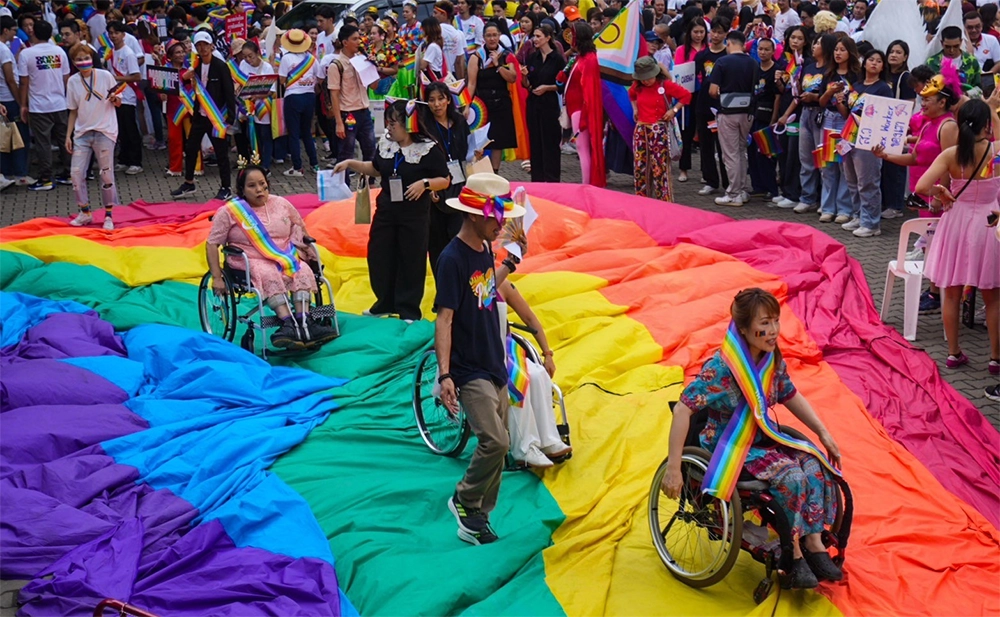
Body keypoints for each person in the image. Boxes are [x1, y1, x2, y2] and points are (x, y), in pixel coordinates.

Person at [661, 288, 844, 589]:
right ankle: (794, 553)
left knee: (814, 464)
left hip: (761, 438)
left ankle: (813, 542)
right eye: (765, 323)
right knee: (792, 477)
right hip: (727, 444)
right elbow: (683, 410)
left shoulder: (771, 361)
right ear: (743, 329)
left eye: (776, 321)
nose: (772, 331)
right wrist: (673, 467)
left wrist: (823, 433)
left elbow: (790, 395)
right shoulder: (721, 368)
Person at [435, 172, 527, 545]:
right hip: (469, 366)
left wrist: (512, 263)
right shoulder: (451, 259)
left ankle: (477, 518)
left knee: (500, 440)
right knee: (495, 441)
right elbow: (444, 318)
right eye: (496, 217)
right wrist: (445, 376)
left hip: (493, 360)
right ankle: (464, 497)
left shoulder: (485, 250)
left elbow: (485, 289)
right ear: (474, 215)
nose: (501, 223)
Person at [334, 100, 452, 322]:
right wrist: (351, 163)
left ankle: (408, 308)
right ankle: (384, 302)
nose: (389, 127)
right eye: (388, 122)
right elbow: (377, 169)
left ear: (409, 123)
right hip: (387, 209)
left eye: (393, 123)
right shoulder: (386, 144)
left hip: (414, 213)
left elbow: (445, 180)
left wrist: (424, 184)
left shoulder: (428, 148)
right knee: (379, 254)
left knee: (411, 259)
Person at [206, 164, 337, 349]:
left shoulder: (281, 203)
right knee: (268, 272)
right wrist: (217, 277)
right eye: (252, 186)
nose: (259, 189)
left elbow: (298, 227)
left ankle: (305, 322)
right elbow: (212, 243)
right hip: (249, 259)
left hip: (283, 256)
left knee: (302, 270)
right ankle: (287, 324)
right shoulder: (230, 211)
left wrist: (305, 249)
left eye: (262, 184)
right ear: (242, 189)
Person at [914, 97, 1000, 377]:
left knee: (950, 293)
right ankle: (995, 358)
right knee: (993, 297)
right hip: (990, 223)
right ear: (986, 124)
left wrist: (942, 192)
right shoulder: (996, 152)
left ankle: (953, 353)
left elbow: (922, 185)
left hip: (957, 224)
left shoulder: (952, 154)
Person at [873, 74, 959, 314]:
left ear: (942, 102)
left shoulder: (948, 125)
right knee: (928, 245)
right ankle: (934, 291)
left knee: (939, 245)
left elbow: (951, 165)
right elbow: (914, 157)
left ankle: (939, 292)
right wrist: (886, 156)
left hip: (938, 198)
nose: (923, 104)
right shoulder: (928, 124)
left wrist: (941, 197)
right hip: (922, 193)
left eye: (927, 99)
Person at [499, 279, 572, 468]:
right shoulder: (468, 283)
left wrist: (547, 354)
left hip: (506, 348)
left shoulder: (503, 285)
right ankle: (523, 448)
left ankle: (548, 440)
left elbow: (530, 319)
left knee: (539, 375)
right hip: (483, 349)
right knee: (517, 379)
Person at [170, 30, 236, 201]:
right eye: (199, 45)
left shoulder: (221, 66)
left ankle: (226, 187)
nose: (202, 48)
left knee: (221, 153)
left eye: (205, 45)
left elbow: (229, 92)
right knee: (191, 148)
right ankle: (189, 183)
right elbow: (186, 82)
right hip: (200, 115)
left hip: (217, 117)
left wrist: (231, 118)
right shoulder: (196, 65)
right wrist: (186, 77)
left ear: (211, 46)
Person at [65, 42, 120, 230]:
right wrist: (68, 135)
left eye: (86, 58)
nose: (84, 62)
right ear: (73, 62)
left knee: (106, 174)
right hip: (82, 133)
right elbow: (72, 110)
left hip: (105, 131)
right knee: (76, 173)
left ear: (93, 58)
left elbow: (118, 101)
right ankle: (84, 212)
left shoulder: (105, 76)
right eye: (79, 59)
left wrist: (115, 99)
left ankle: (109, 215)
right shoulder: (72, 81)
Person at [838, 48, 891, 237]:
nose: (874, 63)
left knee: (868, 181)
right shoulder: (857, 86)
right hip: (849, 137)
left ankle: (871, 222)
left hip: (869, 140)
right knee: (852, 180)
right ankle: (858, 215)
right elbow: (847, 113)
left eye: (878, 60)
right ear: (864, 63)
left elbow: (885, 116)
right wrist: (840, 103)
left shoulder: (883, 88)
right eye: (871, 60)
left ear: (883, 66)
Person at [423, 80, 472, 274]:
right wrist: (428, 188)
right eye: (432, 100)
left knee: (459, 236)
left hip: (460, 184)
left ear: (448, 100)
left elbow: (468, 149)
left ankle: (460, 282)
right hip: (436, 187)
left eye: (441, 99)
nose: (437, 104)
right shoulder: (425, 127)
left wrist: (475, 155)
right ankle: (441, 288)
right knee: (437, 242)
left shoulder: (459, 122)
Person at [17, 19, 71, 192]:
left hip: (39, 106)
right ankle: (70, 173)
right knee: (65, 140)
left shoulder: (27, 54)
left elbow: (23, 82)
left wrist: (23, 105)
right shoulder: (60, 51)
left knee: (43, 143)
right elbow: (66, 78)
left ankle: (46, 178)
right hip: (60, 103)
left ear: (33, 33)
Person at [629, 55, 690, 201]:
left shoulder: (665, 85)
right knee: (640, 166)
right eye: (643, 78)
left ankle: (664, 199)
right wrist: (635, 109)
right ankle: (642, 198)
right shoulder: (637, 86)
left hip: (658, 130)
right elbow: (631, 95)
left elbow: (686, 96)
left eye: (648, 77)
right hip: (641, 130)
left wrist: (673, 111)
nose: (646, 81)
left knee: (659, 166)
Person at [710, 29, 757, 207]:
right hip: (748, 112)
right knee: (740, 151)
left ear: (728, 43)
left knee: (730, 155)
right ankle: (743, 190)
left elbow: (713, 91)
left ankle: (733, 193)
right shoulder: (753, 62)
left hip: (728, 112)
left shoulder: (722, 62)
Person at [815, 34, 859, 224]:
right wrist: (830, 92)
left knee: (845, 166)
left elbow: (854, 107)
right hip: (828, 120)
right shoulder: (829, 74)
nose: (838, 53)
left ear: (850, 52)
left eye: (842, 50)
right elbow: (821, 102)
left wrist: (842, 100)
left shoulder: (856, 76)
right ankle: (827, 207)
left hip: (847, 123)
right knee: (827, 165)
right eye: (836, 50)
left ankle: (844, 208)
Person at [467, 21, 518, 173]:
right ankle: (480, 172)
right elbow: (471, 83)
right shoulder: (477, 57)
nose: (492, 38)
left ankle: (495, 172)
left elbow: (512, 78)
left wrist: (498, 65)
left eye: (494, 35)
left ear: (499, 36)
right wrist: (467, 105)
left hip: (501, 103)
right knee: (481, 141)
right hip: (482, 105)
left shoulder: (506, 55)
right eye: (488, 36)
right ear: (483, 38)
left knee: (498, 141)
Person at [561, 20, 605, 187]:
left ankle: (587, 185)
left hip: (581, 110)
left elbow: (589, 90)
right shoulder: (581, 57)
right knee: (582, 148)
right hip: (575, 109)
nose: (570, 38)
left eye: (573, 35)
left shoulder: (589, 59)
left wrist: (586, 116)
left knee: (583, 148)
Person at [328, 25, 377, 170]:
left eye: (359, 38)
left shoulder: (362, 60)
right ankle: (344, 189)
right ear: (345, 42)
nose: (358, 42)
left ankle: (370, 185)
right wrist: (338, 122)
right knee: (345, 154)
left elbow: (374, 86)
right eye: (354, 39)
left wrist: (373, 66)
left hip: (364, 111)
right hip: (348, 114)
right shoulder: (336, 65)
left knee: (370, 151)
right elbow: (334, 95)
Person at [521, 23, 564, 182]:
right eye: (534, 36)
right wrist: (524, 76)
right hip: (533, 104)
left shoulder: (557, 59)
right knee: (536, 141)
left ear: (548, 38)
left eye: (538, 36)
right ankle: (537, 178)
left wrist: (548, 88)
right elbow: (527, 85)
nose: (535, 39)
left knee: (550, 142)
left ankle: (552, 179)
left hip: (549, 104)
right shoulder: (533, 57)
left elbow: (563, 84)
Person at [277, 28, 320, 178]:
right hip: (309, 96)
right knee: (307, 132)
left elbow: (281, 80)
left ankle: (297, 167)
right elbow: (320, 77)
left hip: (293, 97)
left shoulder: (286, 59)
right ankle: (314, 164)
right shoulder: (311, 59)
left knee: (294, 134)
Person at [693, 18, 729, 197]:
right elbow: (694, 79)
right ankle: (710, 181)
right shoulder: (702, 56)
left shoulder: (728, 56)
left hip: (723, 106)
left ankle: (728, 181)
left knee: (723, 146)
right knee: (706, 145)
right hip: (704, 104)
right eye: (713, 31)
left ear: (726, 35)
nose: (715, 35)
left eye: (720, 32)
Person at [882, 40, 915, 220]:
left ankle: (895, 205)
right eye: (891, 51)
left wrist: (901, 126)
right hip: (882, 126)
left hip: (897, 128)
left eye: (898, 52)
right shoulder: (884, 76)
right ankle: (886, 202)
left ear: (905, 56)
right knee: (884, 166)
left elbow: (910, 104)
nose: (894, 55)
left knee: (896, 167)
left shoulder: (906, 78)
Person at [107, 20, 143, 175]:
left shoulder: (128, 53)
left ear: (123, 35)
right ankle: (124, 159)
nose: (114, 36)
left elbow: (137, 76)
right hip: (116, 96)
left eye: (116, 33)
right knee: (121, 130)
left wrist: (117, 78)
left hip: (127, 96)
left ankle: (136, 161)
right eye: (111, 33)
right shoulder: (111, 52)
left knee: (130, 129)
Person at [747, 36, 781, 201]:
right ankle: (757, 186)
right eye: (760, 49)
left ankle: (771, 188)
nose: (763, 52)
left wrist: (773, 120)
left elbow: (777, 97)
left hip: (767, 116)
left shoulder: (777, 71)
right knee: (752, 151)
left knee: (766, 153)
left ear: (773, 51)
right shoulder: (754, 69)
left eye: (767, 49)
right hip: (753, 114)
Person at [674, 16, 706, 184]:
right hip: (687, 93)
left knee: (704, 132)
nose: (698, 35)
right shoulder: (681, 50)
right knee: (686, 131)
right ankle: (683, 168)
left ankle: (706, 171)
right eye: (696, 32)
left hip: (705, 92)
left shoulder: (708, 48)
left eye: (702, 32)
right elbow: (678, 71)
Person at [235, 40, 274, 173]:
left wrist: (257, 96)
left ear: (257, 53)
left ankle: (266, 165)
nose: (247, 59)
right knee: (252, 134)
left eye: (250, 56)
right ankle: (256, 161)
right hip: (247, 105)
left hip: (263, 106)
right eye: (245, 56)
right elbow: (240, 82)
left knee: (265, 135)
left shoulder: (267, 67)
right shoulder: (243, 65)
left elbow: (271, 90)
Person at [927, 26, 981, 93]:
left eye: (956, 46)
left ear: (961, 42)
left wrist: (967, 95)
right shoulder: (932, 63)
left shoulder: (972, 61)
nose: (952, 50)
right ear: (941, 43)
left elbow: (979, 87)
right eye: (947, 47)